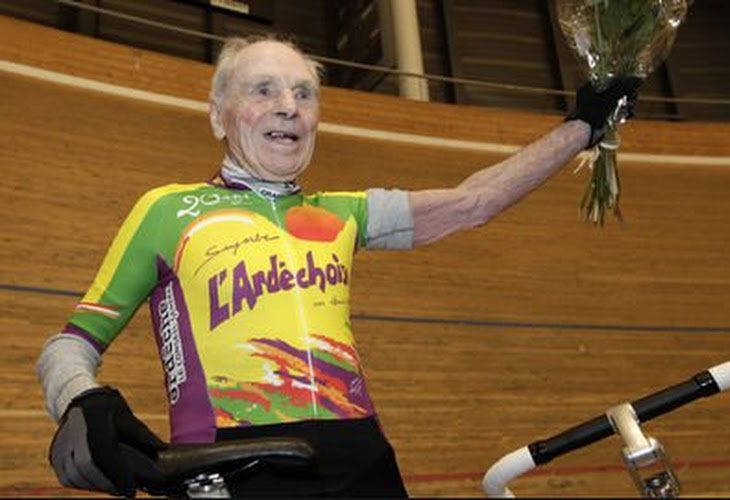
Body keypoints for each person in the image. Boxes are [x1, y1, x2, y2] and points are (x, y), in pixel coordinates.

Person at [37, 34, 639, 498]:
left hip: (361, 454)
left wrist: (581, 127)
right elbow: (68, 347)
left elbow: (473, 202)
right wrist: (80, 400)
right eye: (264, 90)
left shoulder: (340, 213)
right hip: (229, 460)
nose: (289, 107)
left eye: (304, 93)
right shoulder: (169, 211)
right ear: (220, 116)